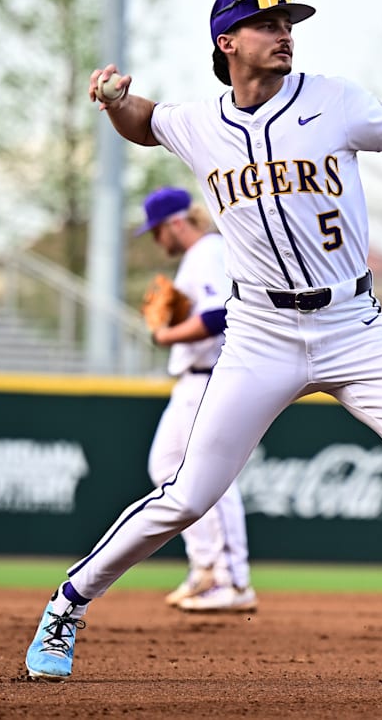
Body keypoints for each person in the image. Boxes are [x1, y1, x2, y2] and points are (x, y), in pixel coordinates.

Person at [24, 0, 382, 692]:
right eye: (266, 23)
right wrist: (118, 101)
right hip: (261, 335)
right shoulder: (200, 122)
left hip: (355, 326)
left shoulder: (333, 99)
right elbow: (146, 121)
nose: (284, 32)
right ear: (227, 43)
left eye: (288, 21)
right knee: (187, 495)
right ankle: (66, 606)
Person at [137, 186, 257, 613]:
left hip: (210, 379)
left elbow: (217, 314)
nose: (156, 241)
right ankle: (206, 567)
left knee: (211, 477)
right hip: (193, 380)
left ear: (175, 223)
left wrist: (167, 334)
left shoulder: (207, 251)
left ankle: (232, 580)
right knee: (167, 466)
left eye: (155, 231)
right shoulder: (200, 256)